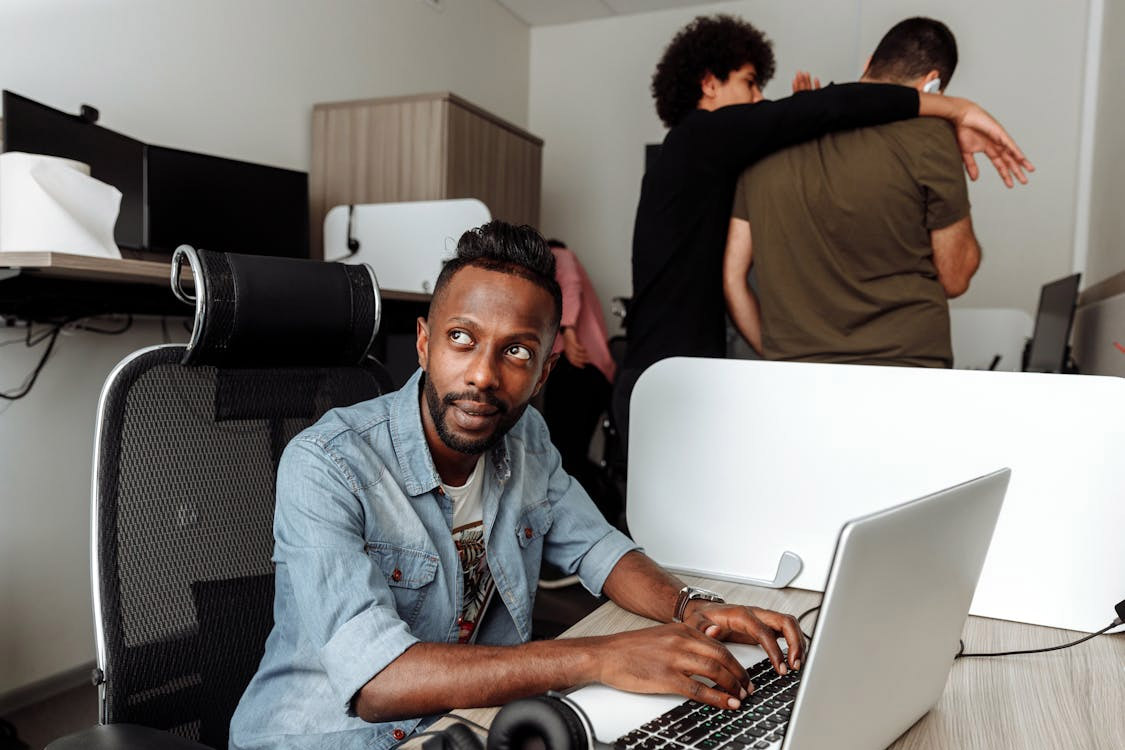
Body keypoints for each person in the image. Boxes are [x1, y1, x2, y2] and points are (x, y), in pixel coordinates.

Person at [230, 221, 805, 750]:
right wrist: (599, 657)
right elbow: (378, 683)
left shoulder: (524, 435)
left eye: (516, 351)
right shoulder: (326, 464)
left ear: (544, 372)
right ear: (425, 343)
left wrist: (692, 609)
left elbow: (598, 548)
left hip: (464, 725)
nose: (483, 375)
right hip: (326, 738)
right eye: (462, 338)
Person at [613, 14, 1032, 443]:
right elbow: (829, 107)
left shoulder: (710, 154)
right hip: (666, 385)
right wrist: (954, 108)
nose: (759, 99)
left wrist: (803, 129)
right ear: (709, 83)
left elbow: (808, 119)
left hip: (675, 378)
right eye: (750, 82)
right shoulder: (698, 138)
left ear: (870, 59)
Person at [724, 18, 980, 368]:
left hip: (795, 376)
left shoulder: (768, 140)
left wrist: (778, 357)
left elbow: (733, 277)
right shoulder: (930, 135)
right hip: (906, 369)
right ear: (931, 84)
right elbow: (955, 276)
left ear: (868, 63)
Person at [542, 238, 619, 522]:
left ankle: (599, 517)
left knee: (563, 454)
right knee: (568, 453)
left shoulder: (559, 254)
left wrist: (569, 331)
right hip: (589, 371)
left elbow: (570, 284)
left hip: (579, 365)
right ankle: (604, 514)